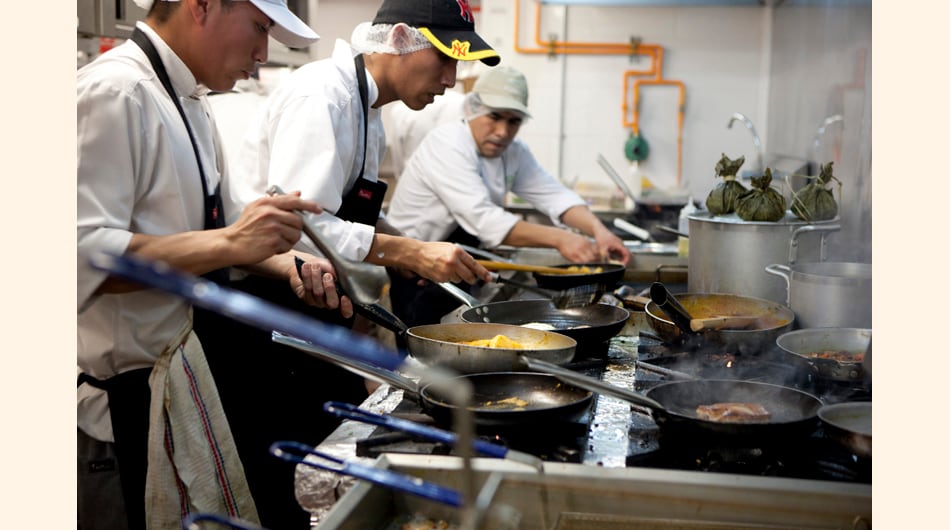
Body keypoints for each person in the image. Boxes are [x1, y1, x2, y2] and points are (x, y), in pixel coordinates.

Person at [76, 1, 343, 529]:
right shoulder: (113, 92)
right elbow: (82, 258)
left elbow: (217, 228)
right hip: (122, 409)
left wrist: (286, 263)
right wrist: (231, 243)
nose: (263, 55)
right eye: (260, 28)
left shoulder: (190, 102)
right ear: (201, 6)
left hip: (179, 383)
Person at [224, 0, 499, 333]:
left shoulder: (368, 110)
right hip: (264, 301)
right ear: (399, 39)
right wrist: (408, 252)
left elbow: (347, 208)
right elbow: (300, 227)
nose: (451, 79)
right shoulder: (324, 95)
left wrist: (402, 244)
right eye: (444, 58)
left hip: (313, 293)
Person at [385, 65, 632, 326]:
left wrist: (598, 231)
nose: (503, 131)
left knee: (456, 342)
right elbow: (484, 219)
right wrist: (562, 239)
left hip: (455, 261)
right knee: (420, 347)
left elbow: (554, 195)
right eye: (495, 117)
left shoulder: (514, 151)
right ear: (473, 109)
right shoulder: (448, 144)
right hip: (414, 268)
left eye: (513, 121)